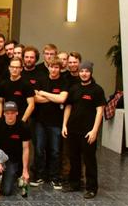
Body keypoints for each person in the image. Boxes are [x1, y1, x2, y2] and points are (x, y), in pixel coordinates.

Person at [62, 61, 105, 198]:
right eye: (81, 71)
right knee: (73, 158)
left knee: (89, 159)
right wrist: (64, 125)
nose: (84, 73)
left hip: (88, 131)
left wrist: (94, 131)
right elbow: (68, 107)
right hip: (73, 129)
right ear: (79, 73)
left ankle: (92, 188)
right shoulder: (74, 88)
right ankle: (74, 184)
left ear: (91, 72)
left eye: (86, 71)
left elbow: (100, 111)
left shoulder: (97, 90)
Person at [32, 57, 69, 189]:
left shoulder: (64, 82)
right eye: (51, 67)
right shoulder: (41, 79)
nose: (53, 69)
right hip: (40, 121)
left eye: (56, 67)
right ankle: (39, 176)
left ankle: (55, 177)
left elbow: (63, 99)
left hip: (56, 122)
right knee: (39, 149)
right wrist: (54, 98)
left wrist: (43, 93)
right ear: (48, 67)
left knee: (55, 151)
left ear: (60, 68)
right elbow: (35, 99)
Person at [0, 101, 31, 197]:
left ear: (17, 113)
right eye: (7, 113)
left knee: (6, 191)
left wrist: (25, 170)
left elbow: (26, 149)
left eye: (12, 113)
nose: (10, 115)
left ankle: (12, 177)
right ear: (4, 113)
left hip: (12, 160)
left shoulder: (24, 127)